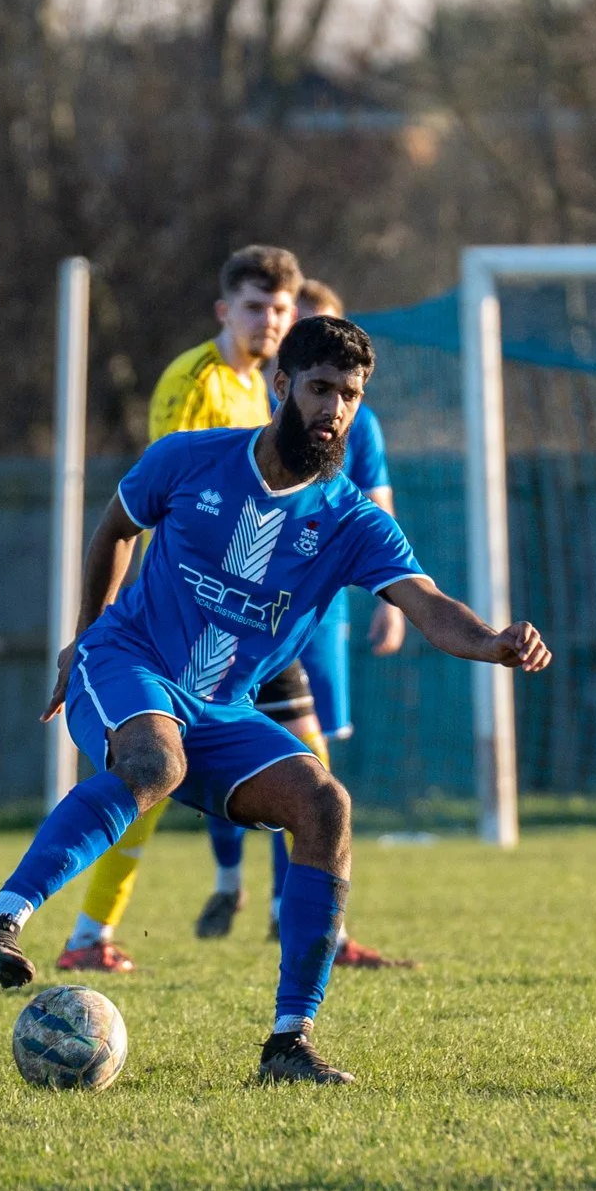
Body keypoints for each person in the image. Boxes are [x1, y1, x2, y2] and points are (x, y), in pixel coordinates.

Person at [0, 315, 551, 1086]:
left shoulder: (352, 519)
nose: (334, 409)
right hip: (128, 661)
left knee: (324, 802)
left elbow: (426, 602)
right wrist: (82, 638)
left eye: (351, 396)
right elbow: (114, 530)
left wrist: (492, 639)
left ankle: (288, 1044)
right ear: (281, 385)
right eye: (321, 388)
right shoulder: (189, 459)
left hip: (221, 708)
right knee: (153, 762)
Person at [52, 245, 306, 974]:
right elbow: (165, 504)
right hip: (186, 619)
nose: (270, 320)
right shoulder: (194, 384)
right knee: (148, 783)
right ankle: (83, 930)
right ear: (225, 310)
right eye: (256, 307)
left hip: (248, 619)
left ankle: (302, 921)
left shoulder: (267, 389)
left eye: (282, 308)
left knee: (307, 770)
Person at [193, 278, 414, 970]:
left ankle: (298, 917)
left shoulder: (358, 426)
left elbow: (375, 513)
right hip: (235, 616)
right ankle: (225, 887)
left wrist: (392, 601)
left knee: (309, 773)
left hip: (314, 624)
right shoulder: (258, 410)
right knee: (213, 758)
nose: (333, 401)